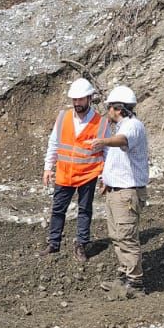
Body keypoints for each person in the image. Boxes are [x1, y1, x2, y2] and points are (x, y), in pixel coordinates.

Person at [90, 84, 149, 296]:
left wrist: (102, 141)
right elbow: (118, 157)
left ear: (118, 108)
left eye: (110, 108)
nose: (108, 113)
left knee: (127, 236)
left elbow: (122, 142)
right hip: (116, 191)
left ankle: (135, 283)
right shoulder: (123, 127)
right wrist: (107, 178)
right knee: (117, 236)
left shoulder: (132, 126)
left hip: (126, 193)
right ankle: (124, 276)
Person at [41, 77, 105, 260]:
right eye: (74, 100)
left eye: (81, 99)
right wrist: (48, 167)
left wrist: (105, 176)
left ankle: (81, 244)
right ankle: (54, 243)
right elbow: (54, 143)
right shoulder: (63, 117)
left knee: (85, 210)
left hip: (88, 173)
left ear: (89, 98)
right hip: (65, 173)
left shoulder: (101, 123)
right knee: (58, 209)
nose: (77, 103)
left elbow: (107, 151)